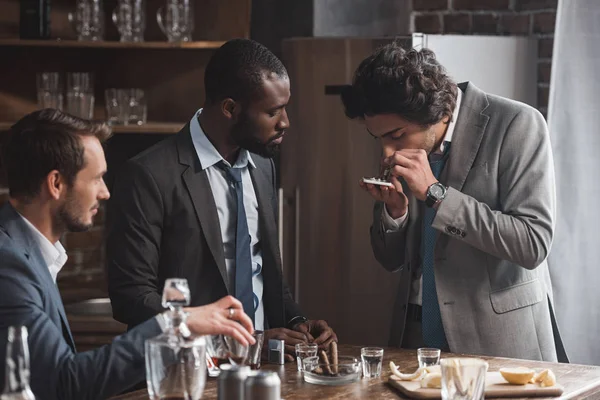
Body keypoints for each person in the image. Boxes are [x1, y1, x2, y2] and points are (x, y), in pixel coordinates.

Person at [106, 38, 337, 361]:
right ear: (229, 108)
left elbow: (264, 271)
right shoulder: (148, 175)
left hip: (260, 370)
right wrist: (235, 342)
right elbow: (131, 296)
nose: (285, 122)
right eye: (272, 111)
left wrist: (297, 323)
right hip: (181, 371)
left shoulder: (263, 166)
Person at [0, 109, 255, 400]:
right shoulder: (8, 266)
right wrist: (176, 323)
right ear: (56, 184)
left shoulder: (25, 252)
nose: (105, 192)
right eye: (96, 178)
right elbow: (64, 382)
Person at [341, 43, 568, 362]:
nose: (387, 153)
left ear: (438, 114)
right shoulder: (402, 142)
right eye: (378, 139)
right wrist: (396, 213)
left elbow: (532, 244)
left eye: (396, 135)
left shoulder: (518, 124)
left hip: (496, 343)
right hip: (414, 338)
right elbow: (391, 261)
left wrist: (435, 194)